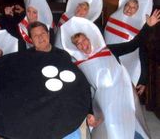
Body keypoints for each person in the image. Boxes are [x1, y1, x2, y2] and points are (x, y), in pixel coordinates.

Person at [0, 21, 91, 139]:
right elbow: (10, 82)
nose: (40, 37)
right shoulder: (24, 57)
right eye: (35, 35)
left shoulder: (62, 56)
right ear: (31, 40)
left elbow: (77, 84)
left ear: (48, 35)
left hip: (57, 105)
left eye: (43, 33)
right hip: (34, 106)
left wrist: (89, 111)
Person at [57, 11, 160, 139]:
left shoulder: (108, 50)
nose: (84, 45)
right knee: (114, 130)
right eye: (79, 44)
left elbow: (133, 45)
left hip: (125, 95)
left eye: (84, 40)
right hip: (106, 102)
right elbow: (84, 90)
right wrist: (90, 112)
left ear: (89, 38)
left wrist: (148, 26)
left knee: (131, 123)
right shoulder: (79, 65)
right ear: (76, 48)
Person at [104, 0, 153, 95]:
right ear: (123, 5)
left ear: (138, 11)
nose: (130, 9)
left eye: (134, 7)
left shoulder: (140, 28)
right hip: (107, 66)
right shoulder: (111, 19)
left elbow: (142, 54)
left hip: (127, 71)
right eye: (128, 5)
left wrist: (143, 79)